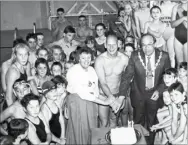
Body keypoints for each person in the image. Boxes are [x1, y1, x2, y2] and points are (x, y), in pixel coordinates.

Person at [119, 33, 171, 144]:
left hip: (154, 94)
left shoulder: (164, 56)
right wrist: (121, 96)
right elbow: (127, 76)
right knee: (138, 122)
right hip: (138, 94)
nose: (146, 48)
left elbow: (168, 77)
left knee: (152, 122)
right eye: (143, 45)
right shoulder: (134, 55)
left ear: (155, 43)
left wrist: (159, 90)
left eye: (149, 44)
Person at [66, 47, 124, 144]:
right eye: (83, 58)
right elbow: (84, 94)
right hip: (77, 103)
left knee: (91, 128)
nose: (86, 60)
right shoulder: (73, 71)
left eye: (89, 58)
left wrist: (111, 101)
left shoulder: (92, 70)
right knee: (80, 130)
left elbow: (95, 91)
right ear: (78, 59)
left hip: (91, 103)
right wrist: (104, 102)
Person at [95, 33, 129, 127]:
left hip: (117, 94)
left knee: (114, 122)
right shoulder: (100, 60)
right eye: (108, 45)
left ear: (118, 45)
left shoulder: (124, 59)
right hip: (103, 95)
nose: (111, 47)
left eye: (113, 44)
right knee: (104, 123)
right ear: (105, 45)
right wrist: (111, 98)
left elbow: (126, 80)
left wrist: (120, 98)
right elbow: (102, 82)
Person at [160, 0, 177, 68]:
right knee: (162, 56)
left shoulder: (175, 5)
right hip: (160, 34)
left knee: (171, 55)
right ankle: (163, 74)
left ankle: (172, 73)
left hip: (171, 33)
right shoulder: (158, 5)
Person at [171, 0, 187, 64]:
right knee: (179, 64)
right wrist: (183, 18)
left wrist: (180, 14)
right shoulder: (175, 7)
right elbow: (172, 25)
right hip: (177, 38)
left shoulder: (178, 9)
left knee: (186, 65)